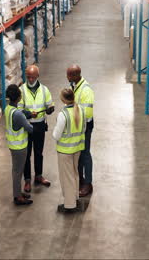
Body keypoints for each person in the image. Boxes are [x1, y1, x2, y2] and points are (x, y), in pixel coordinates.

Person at [18, 65, 55, 192]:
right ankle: (27, 180)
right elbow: (18, 109)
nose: (31, 79)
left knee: (39, 152)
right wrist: (28, 114)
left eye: (33, 77)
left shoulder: (44, 90)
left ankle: (38, 175)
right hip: (27, 126)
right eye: (28, 77)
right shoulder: (21, 90)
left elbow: (50, 104)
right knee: (26, 154)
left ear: (38, 76)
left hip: (39, 126)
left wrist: (50, 109)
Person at [53, 88, 86, 213]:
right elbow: (83, 129)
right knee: (75, 174)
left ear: (63, 99)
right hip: (77, 148)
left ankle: (69, 205)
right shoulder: (81, 110)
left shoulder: (63, 114)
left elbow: (56, 135)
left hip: (65, 151)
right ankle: (75, 199)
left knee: (67, 177)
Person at [67, 65, 94, 197]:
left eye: (69, 75)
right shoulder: (75, 86)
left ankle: (88, 184)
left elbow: (87, 114)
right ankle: (81, 179)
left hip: (85, 127)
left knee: (85, 154)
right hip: (77, 127)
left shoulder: (86, 90)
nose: (67, 77)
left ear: (75, 75)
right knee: (78, 155)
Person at [5, 84, 34, 206]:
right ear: (19, 97)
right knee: (17, 172)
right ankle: (17, 197)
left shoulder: (8, 109)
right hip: (20, 148)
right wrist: (28, 118)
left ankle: (18, 192)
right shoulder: (18, 115)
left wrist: (26, 114)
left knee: (16, 170)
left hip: (12, 146)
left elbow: (19, 114)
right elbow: (30, 128)